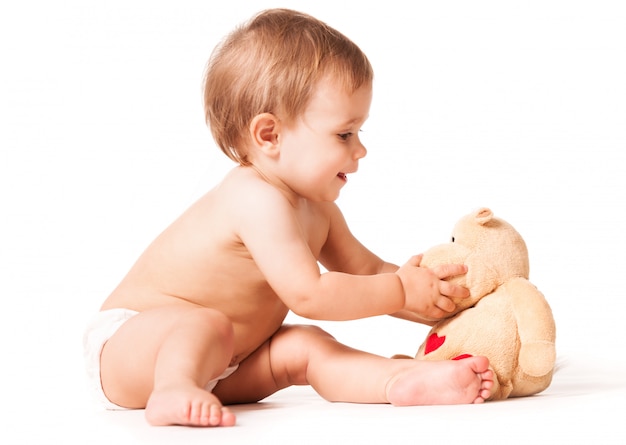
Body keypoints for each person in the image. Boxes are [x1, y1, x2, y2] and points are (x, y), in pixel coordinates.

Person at [83, 8, 493, 428]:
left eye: (359, 133)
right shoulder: (252, 197)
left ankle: (402, 381)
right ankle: (173, 391)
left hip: (226, 363)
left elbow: (369, 273)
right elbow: (310, 296)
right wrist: (400, 291)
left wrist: (437, 301)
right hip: (131, 350)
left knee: (306, 346)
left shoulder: (319, 210)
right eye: (344, 134)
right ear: (269, 136)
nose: (360, 151)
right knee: (205, 322)